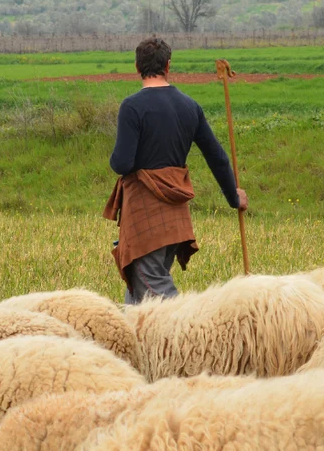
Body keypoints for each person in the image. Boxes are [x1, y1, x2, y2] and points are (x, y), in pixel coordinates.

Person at [104, 37, 248, 304]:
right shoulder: (190, 106)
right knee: (139, 293)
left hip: (145, 215)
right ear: (168, 65)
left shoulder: (132, 107)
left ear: (137, 67)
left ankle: (194, 329)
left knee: (157, 291)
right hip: (175, 218)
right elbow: (217, 157)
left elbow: (122, 163)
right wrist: (234, 197)